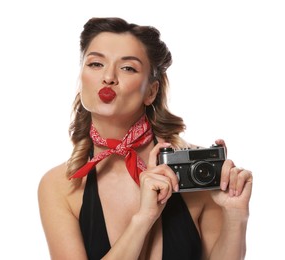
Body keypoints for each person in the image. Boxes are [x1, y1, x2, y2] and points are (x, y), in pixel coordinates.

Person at [38, 17, 253, 260]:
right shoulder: (60, 185)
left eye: (128, 68)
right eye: (96, 64)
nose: (109, 77)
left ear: (151, 91)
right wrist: (144, 218)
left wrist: (237, 217)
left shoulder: (196, 173)